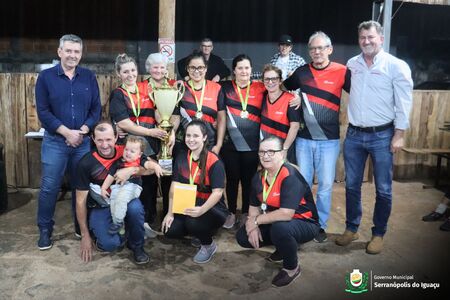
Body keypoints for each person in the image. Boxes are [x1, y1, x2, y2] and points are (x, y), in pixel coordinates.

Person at [335, 20, 413, 254]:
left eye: (370, 37)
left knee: (384, 189)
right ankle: (352, 228)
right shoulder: (352, 64)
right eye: (362, 38)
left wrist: (399, 134)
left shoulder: (396, 66)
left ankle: (378, 233)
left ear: (381, 38)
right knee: (351, 185)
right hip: (355, 134)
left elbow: (404, 103)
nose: (366, 41)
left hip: (383, 135)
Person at [35, 34, 101, 250]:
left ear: (81, 54)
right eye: (69, 51)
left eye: (77, 52)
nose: (73, 55)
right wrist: (66, 133)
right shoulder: (45, 78)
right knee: (49, 187)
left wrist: (82, 130)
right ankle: (45, 230)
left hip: (81, 141)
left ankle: (79, 225)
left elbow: (95, 109)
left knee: (80, 187)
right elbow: (43, 112)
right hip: (55, 142)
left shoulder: (89, 77)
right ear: (60, 52)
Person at [283, 31, 351, 243]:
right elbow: (284, 88)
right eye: (313, 48)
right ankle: (304, 220)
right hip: (304, 140)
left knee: (325, 186)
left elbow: (359, 94)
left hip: (329, 141)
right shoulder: (302, 72)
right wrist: (294, 96)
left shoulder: (342, 71)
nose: (317, 52)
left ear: (330, 49)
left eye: (321, 48)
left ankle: (319, 225)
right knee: (303, 184)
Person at [221, 54, 300, 229]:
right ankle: (231, 213)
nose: (243, 71)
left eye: (247, 68)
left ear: (251, 70)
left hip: (252, 146)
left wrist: (297, 96)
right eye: (240, 68)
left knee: (250, 181)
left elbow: (279, 87)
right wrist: (185, 80)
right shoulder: (224, 87)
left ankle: (247, 214)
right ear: (234, 70)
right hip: (231, 145)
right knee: (232, 180)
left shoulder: (260, 87)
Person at [236, 136, 320, 287]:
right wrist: (251, 225)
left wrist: (256, 221)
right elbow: (254, 208)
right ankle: (283, 248)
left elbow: (286, 214)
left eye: (271, 151)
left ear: (282, 154)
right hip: (277, 221)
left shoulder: (290, 175)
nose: (265, 156)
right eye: (262, 152)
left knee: (280, 229)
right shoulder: (259, 177)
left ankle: (292, 268)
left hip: (304, 222)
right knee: (243, 236)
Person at [76, 121, 160, 264]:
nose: (104, 145)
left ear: (116, 137)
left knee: (135, 208)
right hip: (101, 204)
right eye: (100, 140)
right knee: (110, 244)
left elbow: (152, 168)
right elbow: (80, 201)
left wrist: (132, 170)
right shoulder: (86, 163)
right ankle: (123, 231)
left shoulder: (127, 150)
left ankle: (137, 246)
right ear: (93, 139)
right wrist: (85, 235)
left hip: (125, 198)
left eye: (108, 139)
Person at [109, 53, 168, 236]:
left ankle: (147, 222)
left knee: (149, 184)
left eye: (133, 70)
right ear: (119, 74)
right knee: (131, 184)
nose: (130, 74)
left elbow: (159, 112)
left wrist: (165, 125)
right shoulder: (118, 94)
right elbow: (124, 123)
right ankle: (127, 223)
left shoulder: (146, 90)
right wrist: (150, 131)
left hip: (150, 146)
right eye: (125, 71)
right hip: (129, 148)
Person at [161, 120, 228, 263]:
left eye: (196, 136)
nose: (191, 139)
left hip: (212, 207)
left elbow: (217, 193)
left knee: (193, 221)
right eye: (188, 135)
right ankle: (198, 230)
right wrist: (170, 212)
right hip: (188, 203)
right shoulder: (181, 157)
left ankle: (208, 244)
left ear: (204, 137)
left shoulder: (214, 161)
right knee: (169, 230)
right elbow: (174, 186)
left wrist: (202, 210)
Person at [99, 136, 162, 234]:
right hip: (118, 186)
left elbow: (148, 164)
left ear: (139, 154)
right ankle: (119, 225)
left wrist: (156, 166)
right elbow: (111, 175)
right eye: (126, 149)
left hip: (133, 186)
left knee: (121, 198)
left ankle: (118, 222)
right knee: (114, 201)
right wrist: (103, 188)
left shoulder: (140, 159)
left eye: (132, 151)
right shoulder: (119, 161)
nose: (128, 153)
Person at [176, 51, 226, 154]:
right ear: (187, 69)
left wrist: (219, 145)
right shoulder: (180, 88)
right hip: (184, 143)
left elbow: (222, 119)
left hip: (210, 143)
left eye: (200, 67)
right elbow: (174, 117)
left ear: (206, 68)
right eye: (192, 67)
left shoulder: (216, 88)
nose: (196, 71)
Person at [260, 64, 300, 162]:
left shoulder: (290, 99)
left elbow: (295, 126)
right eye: (267, 79)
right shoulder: (261, 98)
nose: (270, 82)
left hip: (283, 149)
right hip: (265, 150)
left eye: (274, 79)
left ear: (280, 80)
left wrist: (284, 149)